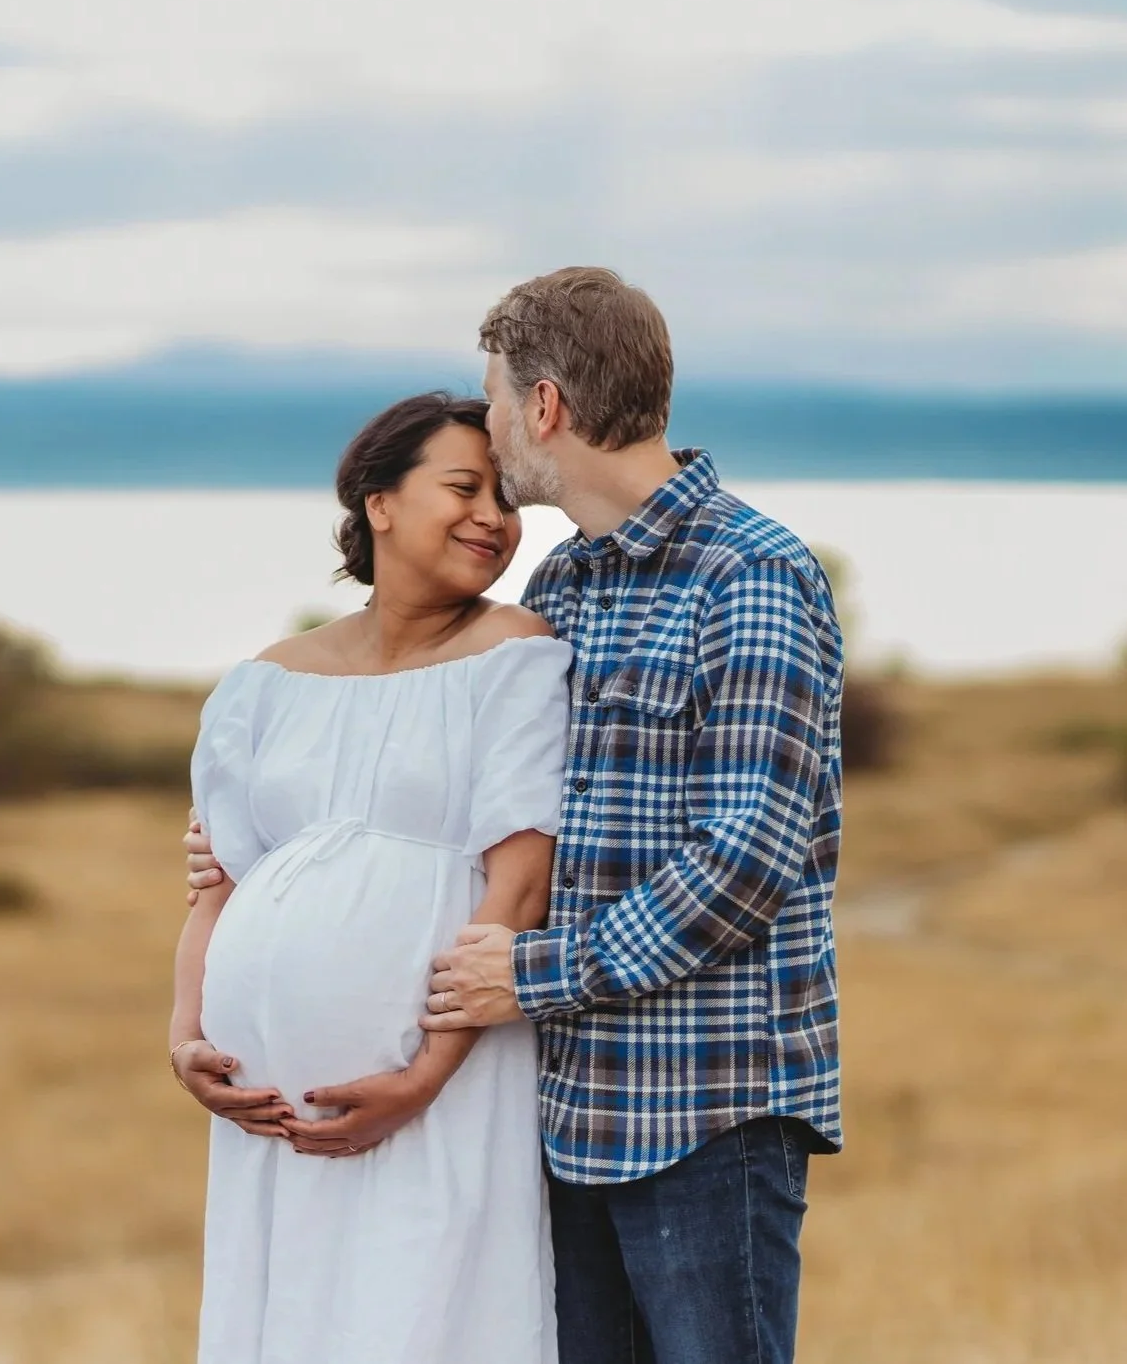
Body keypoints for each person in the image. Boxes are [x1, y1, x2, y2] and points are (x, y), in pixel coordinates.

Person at [187, 267, 844, 1364]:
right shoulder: (573, 586)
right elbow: (489, 784)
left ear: (543, 407)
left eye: (495, 401)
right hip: (562, 1104)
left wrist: (529, 975)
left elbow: (745, 855)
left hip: (702, 1100)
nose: (491, 429)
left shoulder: (751, 573)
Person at [169, 391, 569, 1364]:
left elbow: (517, 887)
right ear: (378, 502)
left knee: (424, 1313)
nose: (494, 517)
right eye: (463, 487)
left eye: (507, 498)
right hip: (271, 1113)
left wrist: (421, 1076)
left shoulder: (514, 655)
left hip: (437, 1086)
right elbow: (217, 886)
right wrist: (184, 1038)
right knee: (293, 1321)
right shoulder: (264, 681)